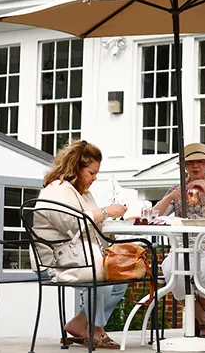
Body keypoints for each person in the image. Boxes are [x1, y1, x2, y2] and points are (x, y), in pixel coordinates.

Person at [32, 140, 128, 349]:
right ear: (77, 167)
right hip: (56, 262)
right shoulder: (57, 190)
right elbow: (74, 223)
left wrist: (114, 219)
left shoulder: (78, 191)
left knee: (121, 276)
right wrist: (106, 212)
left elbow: (93, 225)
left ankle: (80, 323)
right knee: (101, 272)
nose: (95, 178)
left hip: (77, 256)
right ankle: (96, 330)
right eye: (92, 173)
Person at [154, 142, 205, 339]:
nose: (196, 166)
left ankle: (196, 317)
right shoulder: (177, 189)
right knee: (172, 271)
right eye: (191, 162)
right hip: (181, 247)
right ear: (185, 166)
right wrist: (170, 197)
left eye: (200, 162)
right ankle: (204, 320)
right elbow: (153, 216)